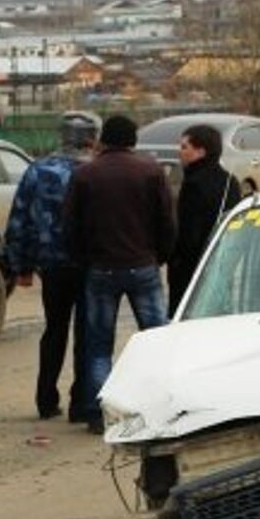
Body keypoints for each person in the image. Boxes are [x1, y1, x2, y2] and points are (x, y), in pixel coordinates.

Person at [62, 114, 177, 431]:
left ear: (104, 140)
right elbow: (167, 222)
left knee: (98, 346)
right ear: (133, 140)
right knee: (156, 339)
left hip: (100, 269)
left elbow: (70, 225)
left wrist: (83, 259)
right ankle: (163, 405)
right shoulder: (151, 172)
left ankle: (100, 413)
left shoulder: (85, 174)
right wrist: (160, 256)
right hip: (143, 266)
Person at [5, 111, 99, 423]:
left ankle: (46, 400)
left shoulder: (38, 169)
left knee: (54, 330)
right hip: (90, 264)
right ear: (91, 138)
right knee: (87, 333)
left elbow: (20, 219)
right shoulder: (96, 171)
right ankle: (81, 403)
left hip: (52, 265)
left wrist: (21, 265)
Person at [167, 123, 242, 312]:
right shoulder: (230, 181)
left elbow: (188, 235)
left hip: (194, 268)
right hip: (221, 261)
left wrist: (174, 261)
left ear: (201, 151)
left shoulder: (193, 184)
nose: (180, 152)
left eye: (185, 147)